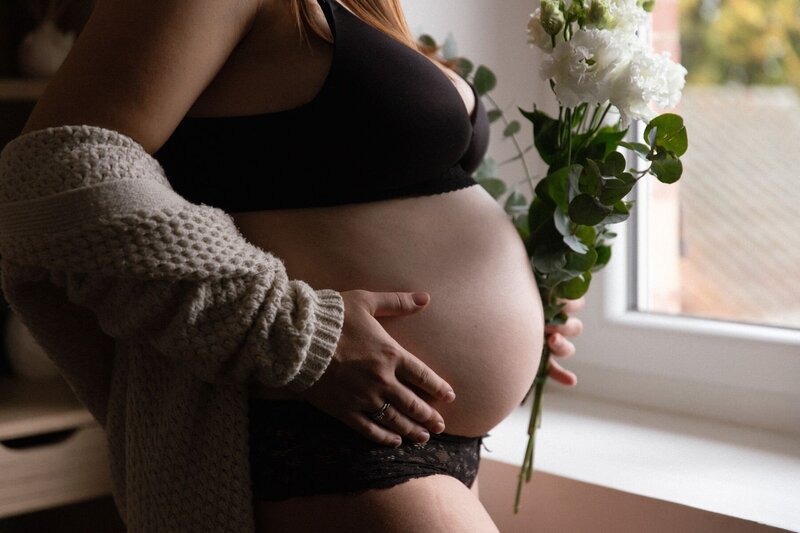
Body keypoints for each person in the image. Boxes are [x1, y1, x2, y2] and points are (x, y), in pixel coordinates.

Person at [0, 0, 583, 531]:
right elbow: (57, 171)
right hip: (317, 437)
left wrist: (522, 295)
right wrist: (292, 332)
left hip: (409, 432)